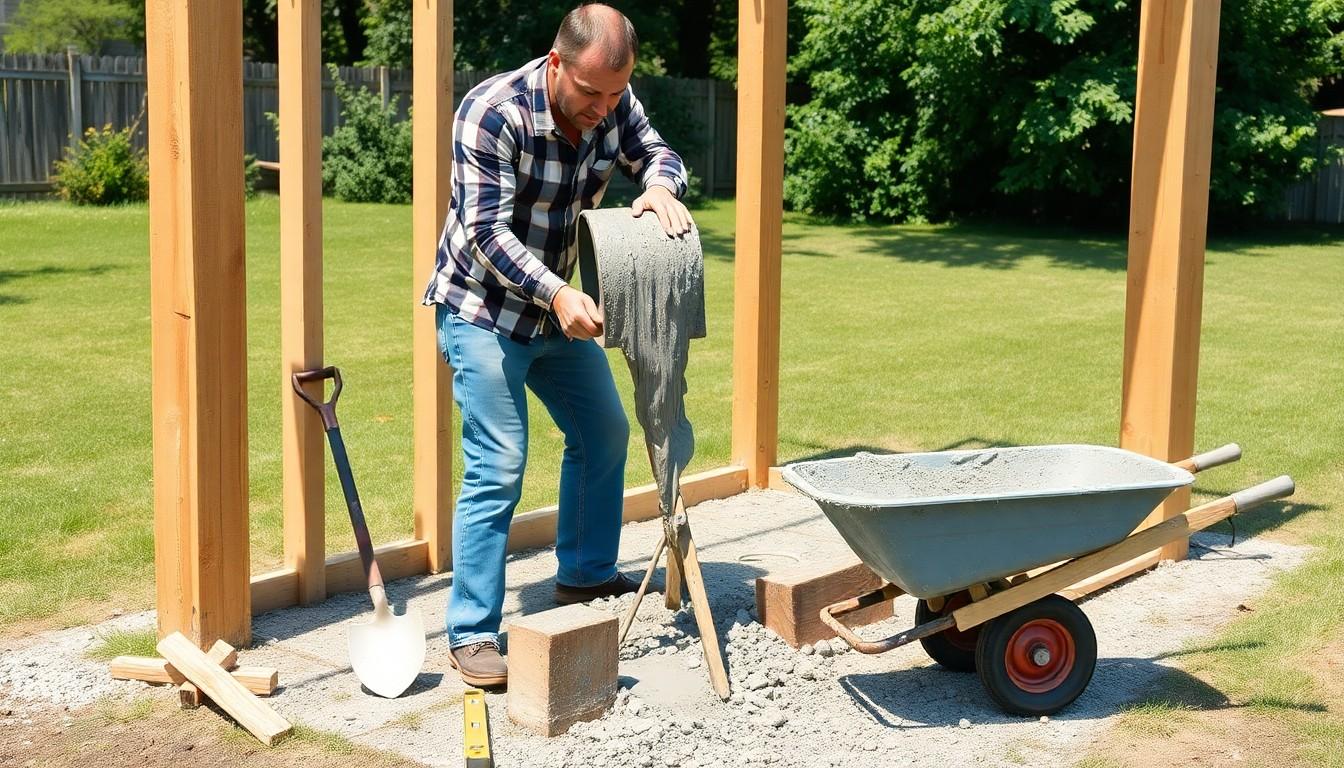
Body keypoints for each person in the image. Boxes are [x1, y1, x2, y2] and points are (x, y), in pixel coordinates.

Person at [421, 3, 694, 688]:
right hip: (482, 310)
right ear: (555, 64)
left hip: (554, 311)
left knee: (603, 430)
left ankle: (585, 574)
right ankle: (472, 633)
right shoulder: (493, 113)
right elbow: (484, 234)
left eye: (615, 92)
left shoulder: (614, 100)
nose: (605, 107)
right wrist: (558, 293)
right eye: (591, 93)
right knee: (500, 459)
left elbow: (659, 151)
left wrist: (661, 185)